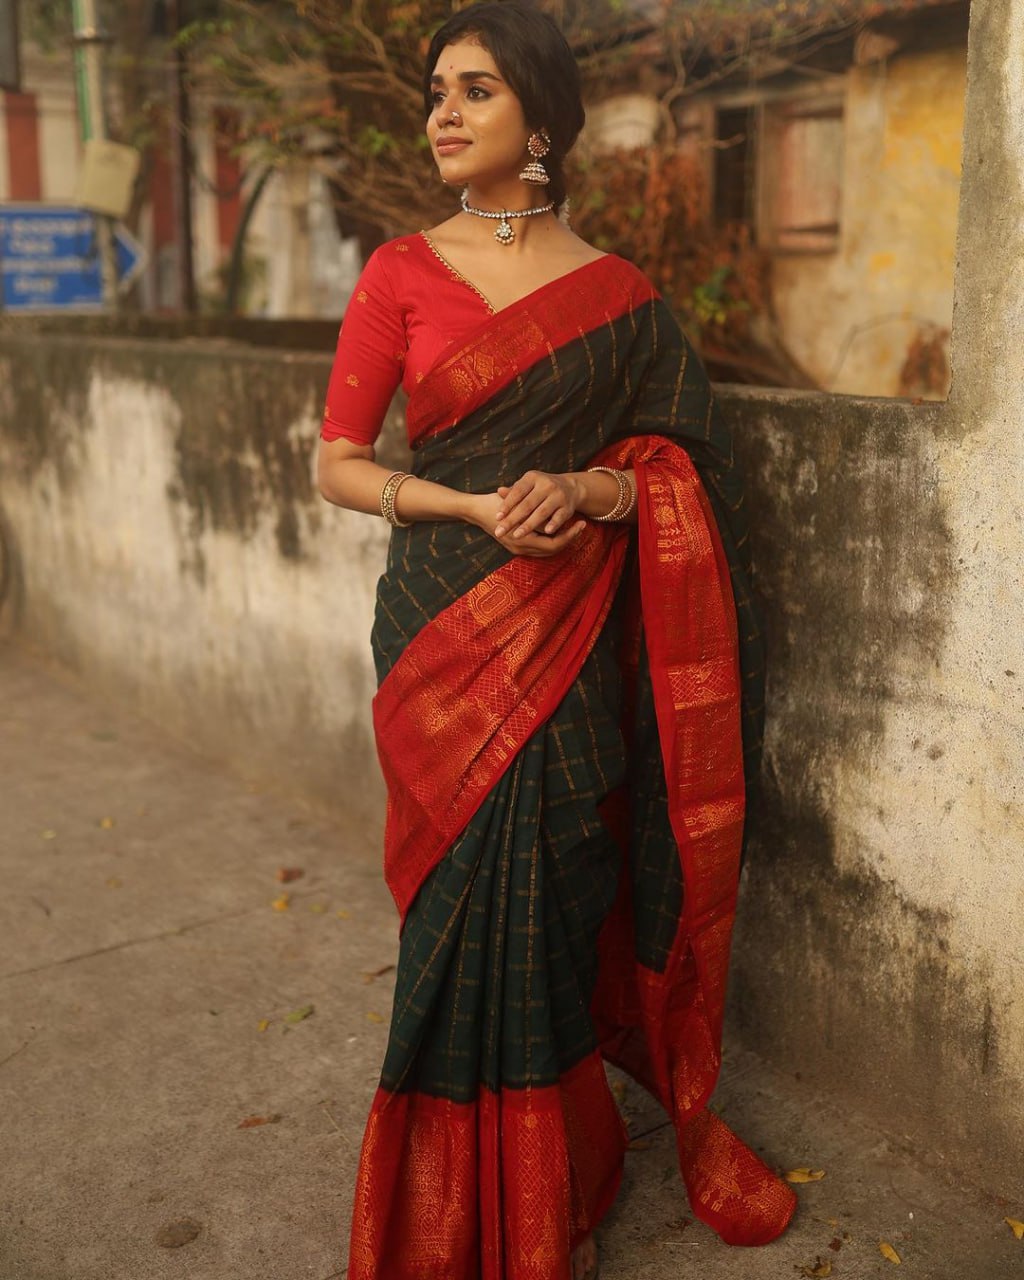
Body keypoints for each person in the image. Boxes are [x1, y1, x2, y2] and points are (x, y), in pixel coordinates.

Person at [317, 3, 797, 1277]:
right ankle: (447, 1204)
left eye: (475, 89)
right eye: (435, 91)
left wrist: (594, 492)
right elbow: (337, 464)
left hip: (572, 630)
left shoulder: (621, 300)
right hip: (436, 628)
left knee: (557, 889)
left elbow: (700, 468)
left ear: (540, 118)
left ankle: (553, 1190)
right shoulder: (398, 275)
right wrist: (468, 502)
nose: (443, 112)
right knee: (455, 907)